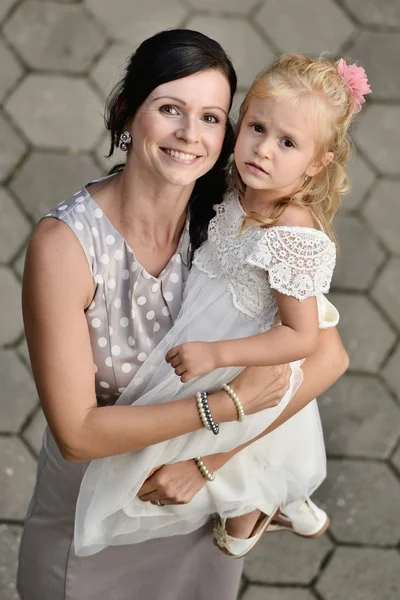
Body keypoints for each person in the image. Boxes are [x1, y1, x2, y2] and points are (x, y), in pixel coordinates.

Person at [17, 30, 349, 600]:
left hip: (195, 504)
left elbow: (326, 356)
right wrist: (225, 405)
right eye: (170, 108)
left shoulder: (236, 210)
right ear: (127, 112)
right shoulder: (65, 247)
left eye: (212, 117)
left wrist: (207, 465)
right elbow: (77, 433)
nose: (190, 136)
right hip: (95, 507)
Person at [74, 52, 367, 559]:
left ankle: (259, 508)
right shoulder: (236, 189)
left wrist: (215, 354)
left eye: (288, 143)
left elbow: (304, 339)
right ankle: (285, 503)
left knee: (240, 474)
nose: (264, 151)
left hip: (242, 361)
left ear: (317, 163)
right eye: (256, 127)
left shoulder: (294, 235)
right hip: (214, 347)